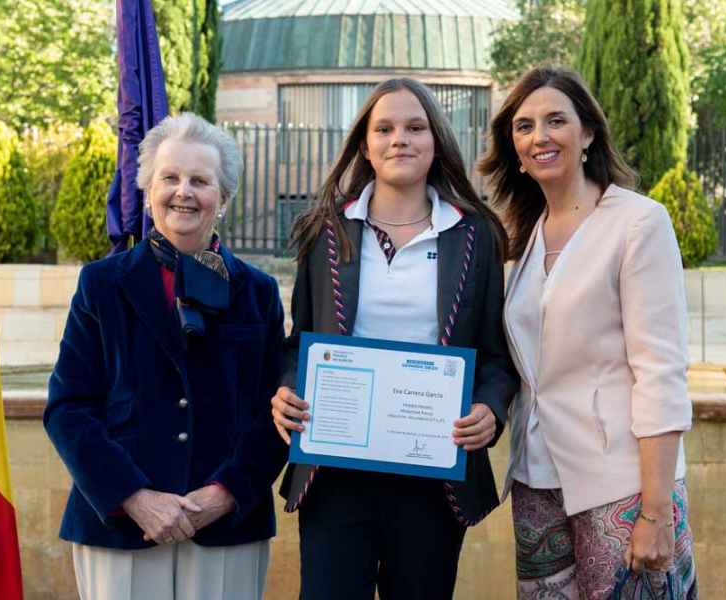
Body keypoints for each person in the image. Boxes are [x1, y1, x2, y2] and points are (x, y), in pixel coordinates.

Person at [270, 78, 518, 599]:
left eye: (414, 127)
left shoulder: (476, 235)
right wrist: (287, 390)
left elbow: (496, 356)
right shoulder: (326, 230)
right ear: (366, 143)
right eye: (384, 128)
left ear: (436, 141)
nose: (399, 139)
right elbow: (301, 342)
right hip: (334, 468)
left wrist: (490, 410)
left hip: (432, 472)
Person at [43, 113, 288, 600]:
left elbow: (275, 412)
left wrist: (223, 495)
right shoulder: (101, 284)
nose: (184, 191)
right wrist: (134, 497)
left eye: (200, 180)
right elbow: (68, 408)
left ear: (223, 199)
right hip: (120, 527)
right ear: (147, 190)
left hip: (225, 526)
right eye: (169, 178)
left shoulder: (259, 292)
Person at [479, 65, 697, 599]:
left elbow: (660, 372)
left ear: (588, 133)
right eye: (524, 126)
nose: (539, 137)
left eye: (556, 120)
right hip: (535, 483)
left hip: (620, 487)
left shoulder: (638, 223)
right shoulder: (523, 238)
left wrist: (656, 509)